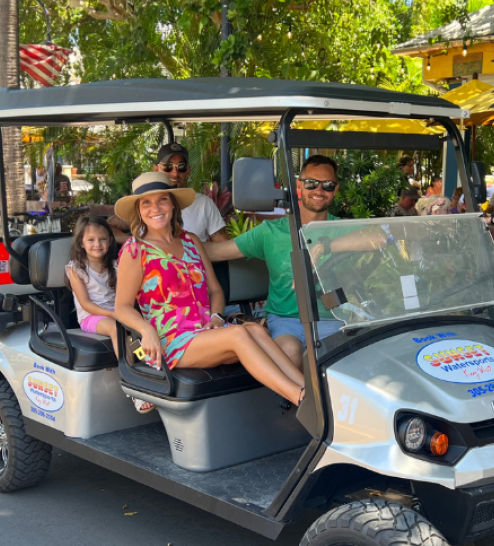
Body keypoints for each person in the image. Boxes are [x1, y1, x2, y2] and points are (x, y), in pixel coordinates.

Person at [114, 172, 305, 407]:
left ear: (173, 205)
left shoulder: (191, 241)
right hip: (171, 340)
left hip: (206, 331)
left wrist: (216, 316)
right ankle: (301, 399)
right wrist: (146, 330)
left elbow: (215, 290)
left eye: (162, 199)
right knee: (238, 333)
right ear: (139, 211)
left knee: (256, 331)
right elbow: (122, 307)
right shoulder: (136, 250)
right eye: (146, 203)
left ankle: (310, 392)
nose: (155, 208)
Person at [204, 154, 349, 368]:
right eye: (311, 183)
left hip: (333, 319)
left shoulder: (343, 229)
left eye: (327, 185)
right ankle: (300, 400)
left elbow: (380, 237)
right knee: (289, 352)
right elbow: (217, 252)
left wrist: (324, 246)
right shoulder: (272, 231)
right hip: (286, 320)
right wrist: (168, 244)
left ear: (335, 190)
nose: (319, 190)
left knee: (335, 361)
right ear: (299, 186)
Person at [111, 142, 231, 244]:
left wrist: (192, 252)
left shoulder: (203, 204)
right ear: (156, 169)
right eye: (168, 167)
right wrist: (138, 244)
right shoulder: (144, 209)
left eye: (181, 167)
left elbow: (223, 245)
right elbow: (104, 227)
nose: (175, 173)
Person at [66, 216, 120, 353]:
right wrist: (113, 314)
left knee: (138, 328)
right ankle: (128, 369)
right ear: (81, 243)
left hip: (116, 313)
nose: (97, 244)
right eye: (91, 240)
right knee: (116, 328)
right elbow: (85, 304)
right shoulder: (76, 269)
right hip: (90, 317)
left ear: (110, 241)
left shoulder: (116, 266)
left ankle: (143, 362)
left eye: (102, 239)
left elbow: (122, 297)